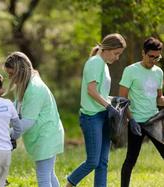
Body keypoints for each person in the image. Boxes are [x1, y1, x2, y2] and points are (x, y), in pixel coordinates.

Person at [65, 33, 127, 187]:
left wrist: (115, 100)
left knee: (103, 162)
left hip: (103, 115)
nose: (117, 57)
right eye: (116, 53)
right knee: (93, 161)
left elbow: (100, 93)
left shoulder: (103, 64)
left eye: (119, 54)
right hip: (91, 117)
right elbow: (91, 91)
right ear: (107, 49)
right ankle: (69, 184)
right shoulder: (95, 63)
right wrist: (109, 106)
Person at [4, 51, 64, 187]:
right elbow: (16, 107)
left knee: (43, 178)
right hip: (47, 134)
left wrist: (7, 134)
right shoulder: (24, 84)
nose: (9, 78)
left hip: (46, 135)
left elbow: (27, 122)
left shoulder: (34, 88)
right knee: (49, 174)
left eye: (11, 74)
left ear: (20, 71)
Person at [119, 37, 164, 187]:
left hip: (154, 120)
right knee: (131, 159)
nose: (153, 60)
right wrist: (130, 120)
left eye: (157, 57)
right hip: (136, 121)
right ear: (143, 53)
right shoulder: (130, 71)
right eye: (151, 56)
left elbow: (159, 98)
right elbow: (122, 99)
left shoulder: (159, 72)